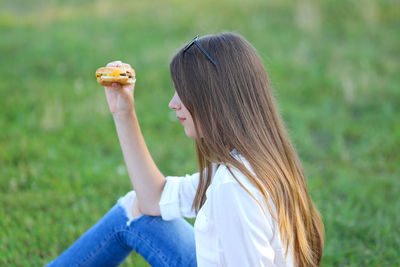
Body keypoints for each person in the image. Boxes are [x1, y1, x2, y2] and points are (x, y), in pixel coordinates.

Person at [47, 32, 324, 267]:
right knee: (133, 210)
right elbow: (152, 199)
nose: (173, 103)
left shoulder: (234, 188)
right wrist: (123, 111)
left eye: (183, 92)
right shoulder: (256, 159)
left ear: (214, 100)